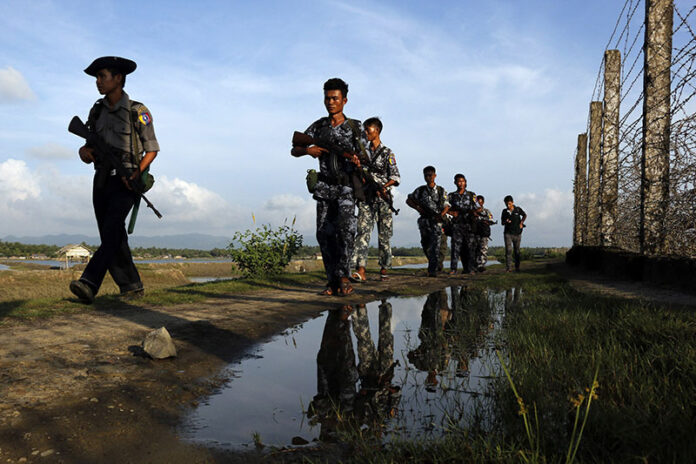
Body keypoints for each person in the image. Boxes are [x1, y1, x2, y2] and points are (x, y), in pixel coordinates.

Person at [69, 56, 159, 304]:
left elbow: (152, 149)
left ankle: (89, 282)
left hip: (126, 179)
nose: (98, 82)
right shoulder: (96, 110)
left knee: (111, 232)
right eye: (97, 77)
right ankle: (131, 285)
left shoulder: (137, 111)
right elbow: (87, 149)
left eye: (102, 76)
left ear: (118, 78)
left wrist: (135, 172)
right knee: (113, 233)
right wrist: (84, 153)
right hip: (101, 179)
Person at [291, 78, 366, 296]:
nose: (330, 102)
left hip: (345, 188)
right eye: (327, 98)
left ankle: (343, 276)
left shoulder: (355, 127)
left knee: (346, 231)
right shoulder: (319, 126)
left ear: (344, 100)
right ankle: (332, 281)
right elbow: (294, 148)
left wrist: (358, 161)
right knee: (324, 234)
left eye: (335, 98)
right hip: (324, 188)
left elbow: (365, 155)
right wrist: (308, 151)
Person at [350, 117, 401, 282]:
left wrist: (383, 188)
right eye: (364, 130)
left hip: (383, 199)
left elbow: (395, 176)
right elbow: (357, 172)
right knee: (362, 232)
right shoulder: (362, 152)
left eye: (368, 130)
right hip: (366, 197)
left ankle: (384, 267)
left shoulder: (387, 153)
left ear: (377, 131)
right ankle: (361, 270)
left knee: (384, 235)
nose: (366, 133)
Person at [406, 166, 450, 277]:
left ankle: (433, 269)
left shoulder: (441, 190)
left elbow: (447, 205)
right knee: (425, 244)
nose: (428, 177)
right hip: (425, 221)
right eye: (426, 175)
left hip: (437, 220)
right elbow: (409, 200)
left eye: (430, 175)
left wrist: (441, 215)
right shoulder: (420, 190)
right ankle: (434, 265)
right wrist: (418, 208)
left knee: (437, 245)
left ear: (435, 175)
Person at [447, 174, 480, 275]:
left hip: (469, 224)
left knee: (470, 248)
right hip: (457, 224)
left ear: (465, 182)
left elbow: (478, 207)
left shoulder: (471, 195)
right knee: (455, 248)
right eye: (458, 181)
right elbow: (445, 207)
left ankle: (470, 269)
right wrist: (452, 213)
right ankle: (453, 269)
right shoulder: (451, 196)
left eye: (462, 181)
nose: (461, 183)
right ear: (455, 182)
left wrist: (473, 212)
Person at [501, 195, 527, 272]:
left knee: (517, 251)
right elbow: (502, 222)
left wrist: (521, 222)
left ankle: (517, 267)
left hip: (518, 233)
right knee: (508, 250)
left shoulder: (518, 209)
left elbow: (525, 215)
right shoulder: (504, 211)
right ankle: (509, 268)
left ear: (512, 202)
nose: (508, 205)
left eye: (509, 203)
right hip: (508, 233)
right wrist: (506, 221)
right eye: (506, 204)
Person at [473, 195, 496, 272]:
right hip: (475, 233)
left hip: (484, 233)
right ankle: (475, 265)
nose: (479, 204)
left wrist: (486, 221)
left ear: (483, 202)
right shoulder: (472, 212)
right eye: (478, 203)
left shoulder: (487, 211)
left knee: (483, 249)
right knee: (474, 249)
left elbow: (491, 220)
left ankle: (481, 265)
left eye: (480, 202)